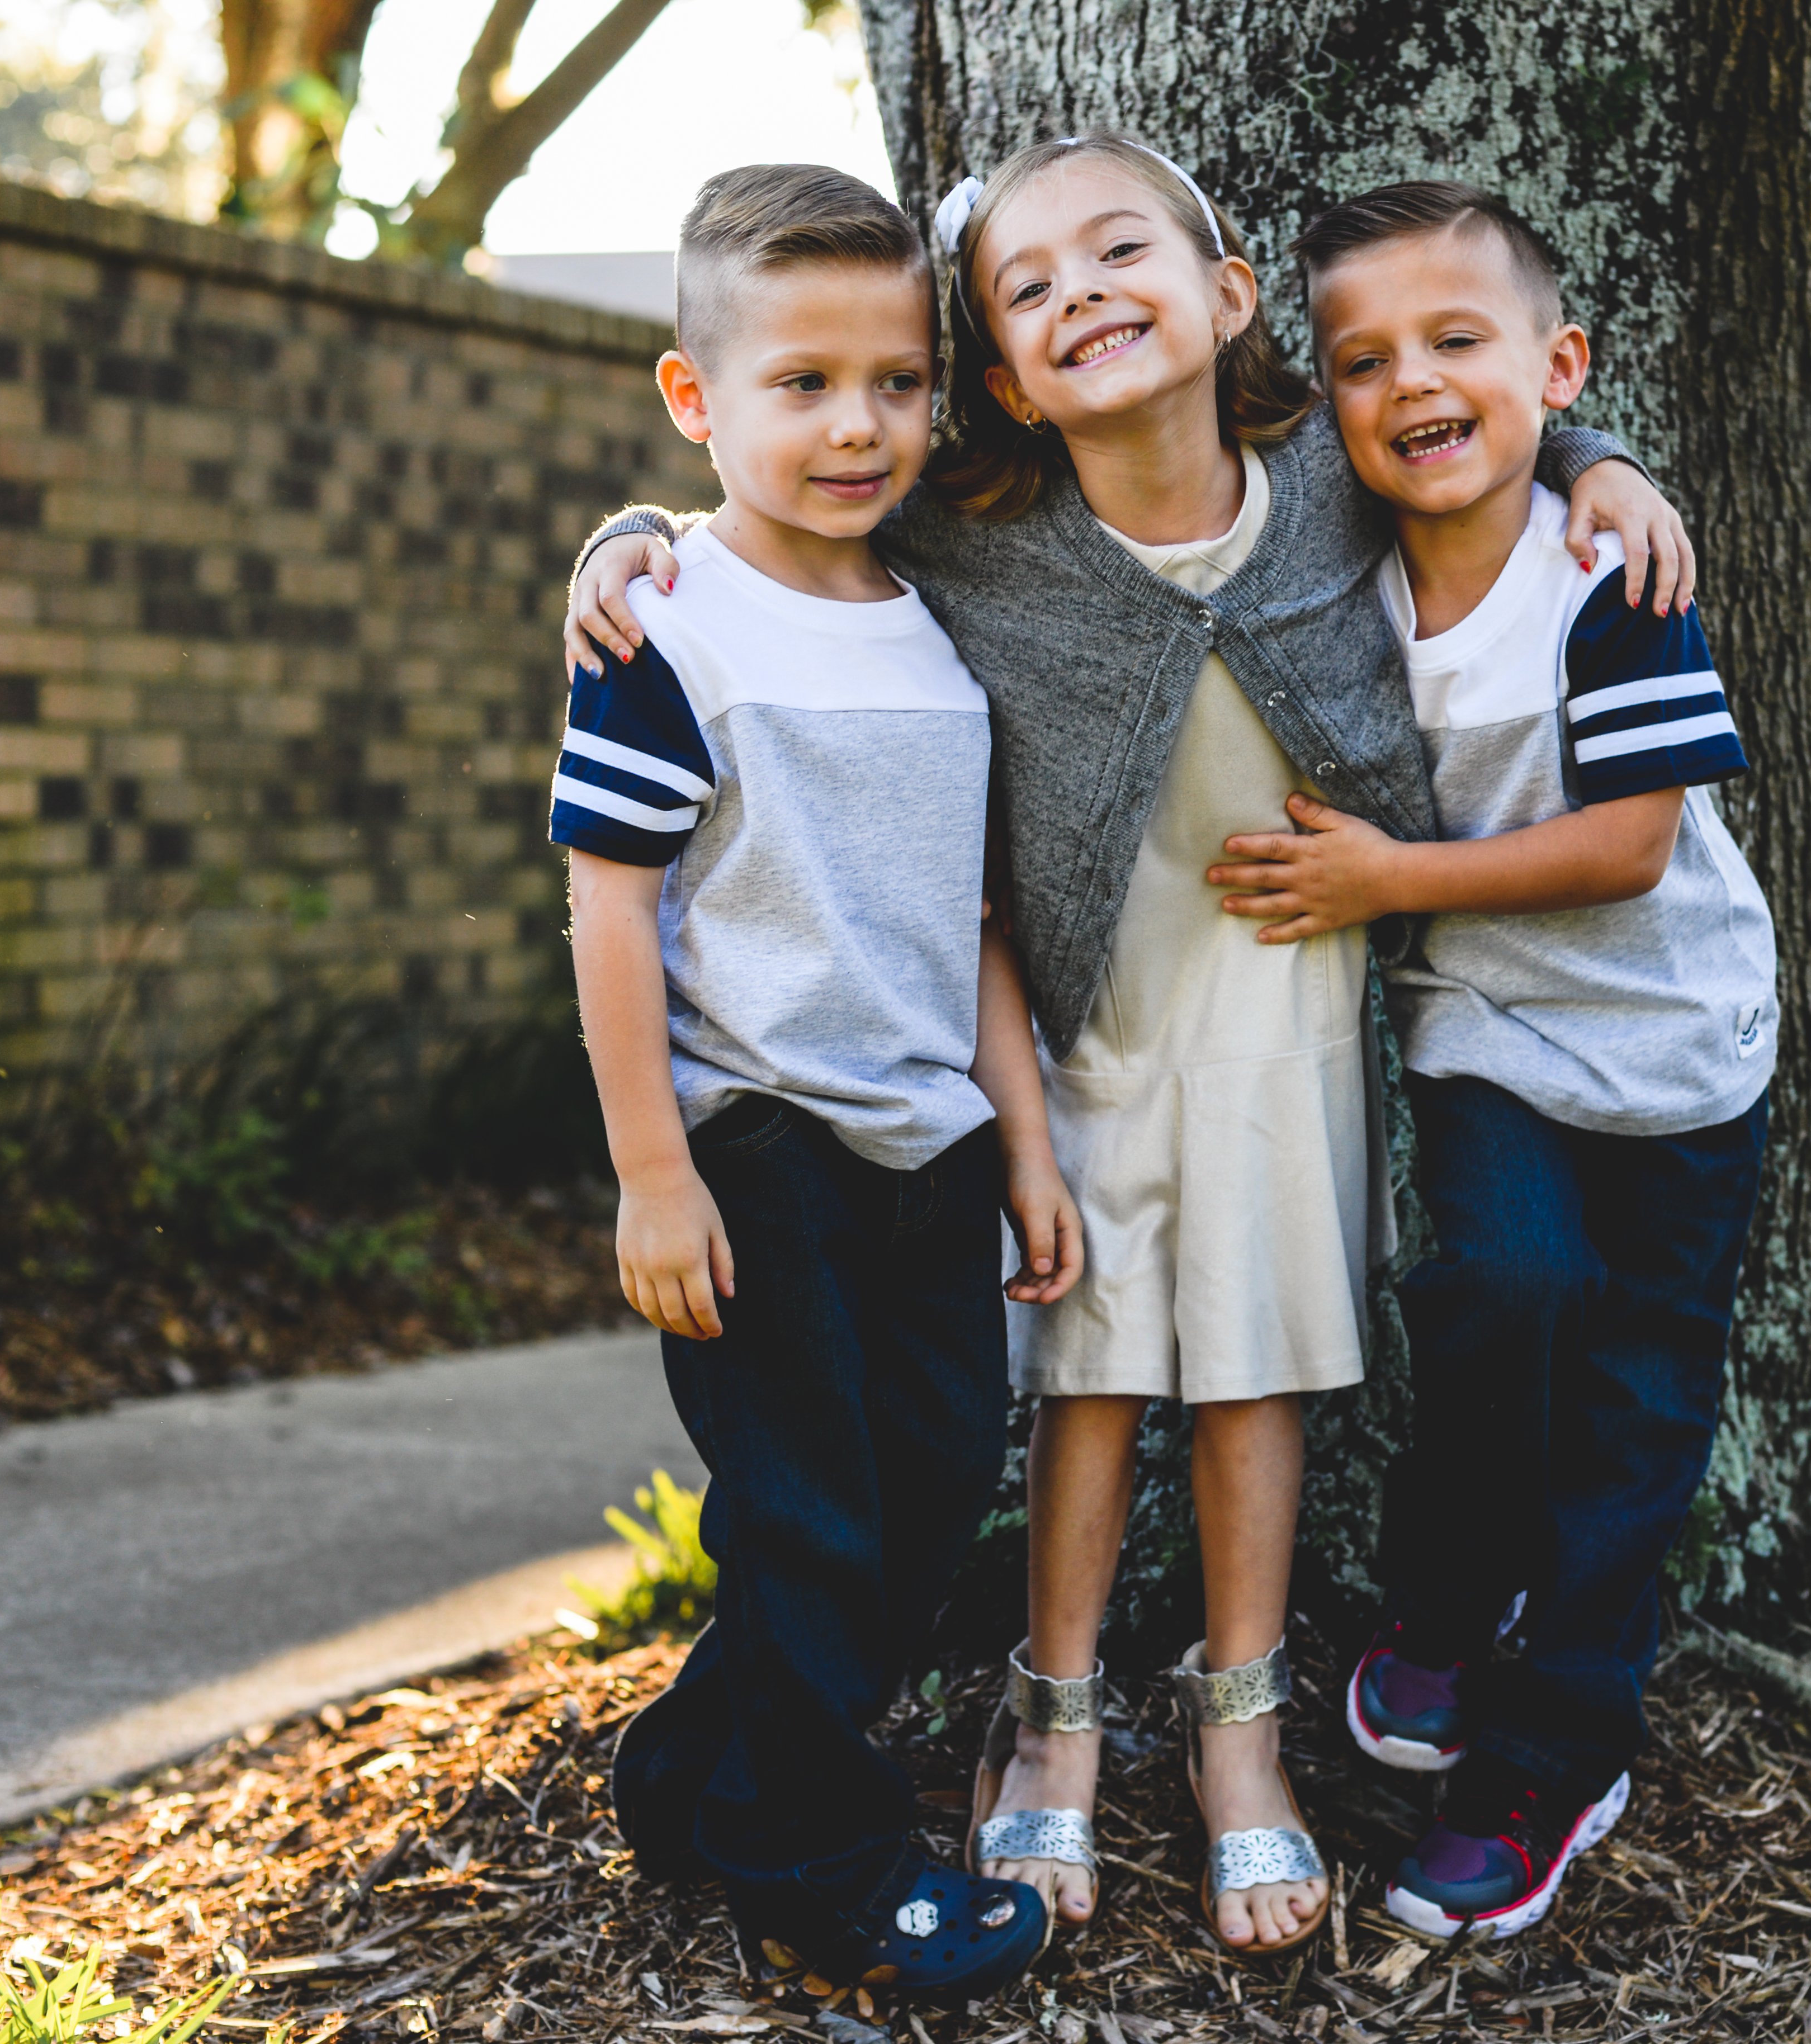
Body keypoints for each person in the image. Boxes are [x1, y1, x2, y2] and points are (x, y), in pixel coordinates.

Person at [564, 135, 1697, 1957]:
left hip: (1286, 1003)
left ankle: (1240, 1737)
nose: (1084, 290)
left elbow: (1467, 420)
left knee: (1261, 1362)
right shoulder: (964, 539)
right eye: (1029, 287)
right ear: (997, 381)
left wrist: (1602, 455)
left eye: (1122, 253)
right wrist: (627, 543)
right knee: (1084, 1372)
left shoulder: (1330, 485)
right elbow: (770, 523)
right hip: (1078, 1022)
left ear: (1231, 295)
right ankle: (1053, 1719)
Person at [1200, 179, 1779, 1942]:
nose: (1414, 386)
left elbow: (1623, 848)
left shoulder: (1611, 571)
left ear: (1556, 362)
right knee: (1498, 1291)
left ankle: (1554, 1751)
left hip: (1681, 1049)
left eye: (1459, 343)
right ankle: (1445, 1609)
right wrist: (636, 542)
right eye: (1364, 361)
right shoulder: (1330, 574)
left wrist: (1383, 882)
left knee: (1633, 1425)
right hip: (1487, 1029)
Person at [550, 161, 1084, 2006]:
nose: (857, 425)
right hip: (753, 1148)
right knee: (810, 1517)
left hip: (925, 1145)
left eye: (896, 381)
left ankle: (697, 1778)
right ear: (697, 401)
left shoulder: (941, 633)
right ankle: (819, 1861)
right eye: (800, 383)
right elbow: (607, 911)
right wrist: (650, 1171)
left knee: (930, 1499)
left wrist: (1022, 1145)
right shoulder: (666, 626)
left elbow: (982, 921)